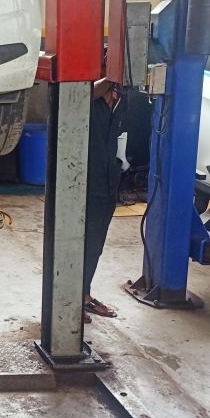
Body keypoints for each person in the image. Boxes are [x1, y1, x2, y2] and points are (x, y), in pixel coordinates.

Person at [83, 77, 127, 322]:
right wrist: (110, 78)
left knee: (96, 243)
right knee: (78, 241)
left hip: (109, 181)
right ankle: (67, 299)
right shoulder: (82, 92)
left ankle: (83, 295)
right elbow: (84, 93)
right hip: (82, 181)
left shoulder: (122, 99)